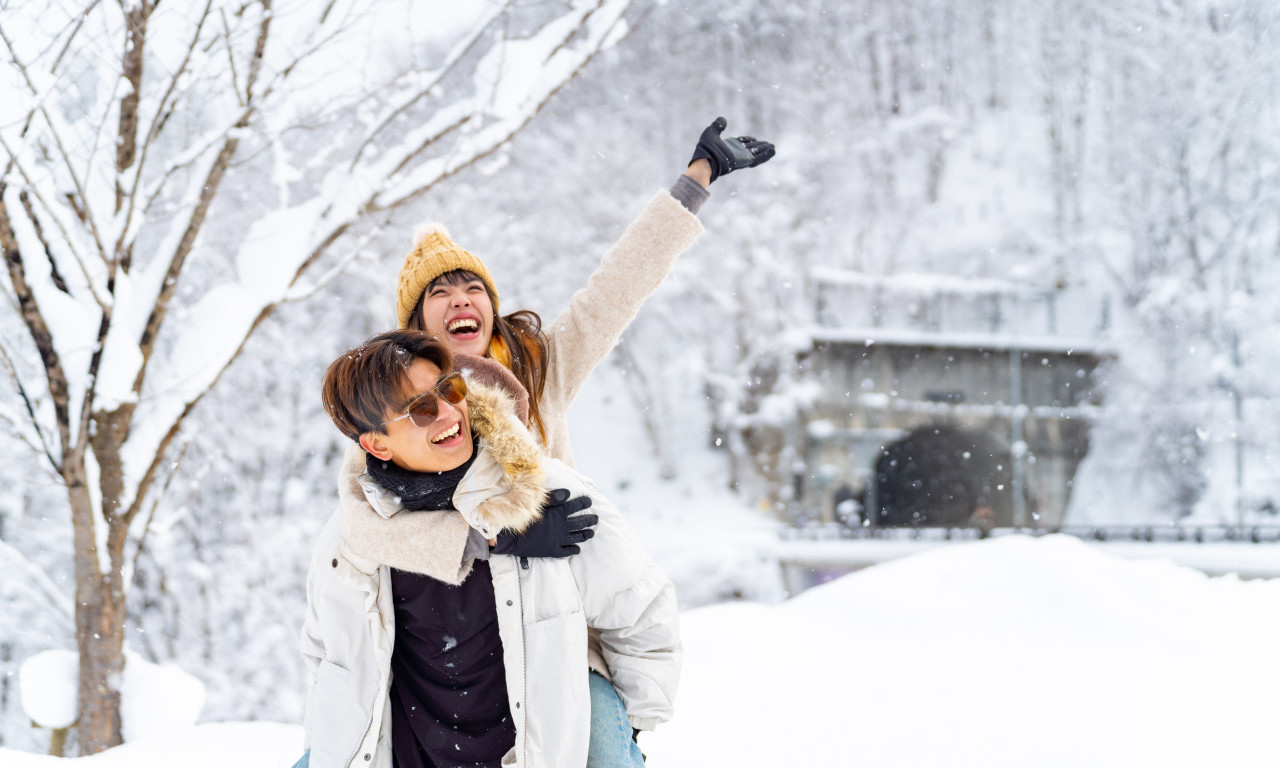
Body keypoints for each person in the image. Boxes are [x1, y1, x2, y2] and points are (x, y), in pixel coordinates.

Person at [328, 117, 774, 765]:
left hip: (551, 629)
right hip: (446, 645)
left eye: (471, 285)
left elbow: (617, 287)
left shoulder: (540, 370)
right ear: (415, 326)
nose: (461, 298)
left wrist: (695, 181)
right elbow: (359, 527)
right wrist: (487, 535)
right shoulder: (395, 413)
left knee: (602, 745)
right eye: (440, 292)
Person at [301, 330, 681, 768]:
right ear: (376, 444)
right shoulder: (351, 540)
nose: (447, 412)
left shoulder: (546, 495)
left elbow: (642, 612)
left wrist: (622, 734)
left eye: (449, 389)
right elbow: (326, 658)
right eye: (421, 409)